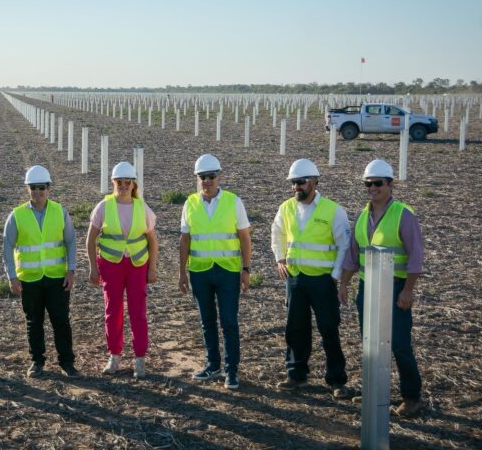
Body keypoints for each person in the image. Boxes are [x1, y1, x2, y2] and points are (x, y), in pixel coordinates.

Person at [339, 159, 425, 417]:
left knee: (398, 343)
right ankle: (374, 393)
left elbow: (416, 257)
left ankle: (412, 396)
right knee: (371, 344)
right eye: (368, 183)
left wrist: (408, 290)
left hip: (396, 287)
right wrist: (344, 284)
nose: (372, 188)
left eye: (377, 183)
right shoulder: (363, 216)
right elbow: (353, 256)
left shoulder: (403, 214)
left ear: (390, 184)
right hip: (368, 287)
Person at [270, 158, 351, 399]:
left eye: (302, 182)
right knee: (295, 328)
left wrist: (335, 276)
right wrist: (280, 258)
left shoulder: (333, 210)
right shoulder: (286, 208)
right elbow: (277, 232)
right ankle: (296, 375)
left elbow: (345, 246)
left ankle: (336, 379)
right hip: (295, 280)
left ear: (315, 182)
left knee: (329, 329)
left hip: (323, 282)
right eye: (294, 183)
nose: (297, 187)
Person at [178, 154, 251, 390]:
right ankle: (213, 365)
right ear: (197, 179)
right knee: (207, 321)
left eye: (211, 176)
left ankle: (232, 371)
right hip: (200, 272)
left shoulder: (234, 201)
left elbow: (244, 238)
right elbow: (185, 239)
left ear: (219, 177)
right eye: (202, 177)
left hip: (228, 272)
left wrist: (246, 269)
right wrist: (182, 272)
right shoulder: (190, 203)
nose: (207, 181)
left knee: (229, 322)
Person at [3, 165, 80, 378]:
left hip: (57, 278)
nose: (37, 192)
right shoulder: (17, 215)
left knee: (61, 321)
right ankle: (37, 362)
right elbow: (8, 247)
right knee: (34, 322)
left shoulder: (59, 211)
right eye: (33, 187)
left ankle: (67, 362)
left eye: (41, 187)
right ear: (27, 189)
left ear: (49, 188)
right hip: (30, 279)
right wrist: (12, 276)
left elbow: (71, 242)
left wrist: (71, 270)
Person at [87, 162, 158, 378]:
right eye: (120, 182)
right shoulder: (103, 207)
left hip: (137, 265)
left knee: (138, 311)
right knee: (113, 311)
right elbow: (91, 239)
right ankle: (115, 356)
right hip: (110, 265)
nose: (124, 185)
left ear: (133, 184)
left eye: (128, 182)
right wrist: (93, 268)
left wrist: (152, 268)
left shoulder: (142, 207)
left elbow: (152, 241)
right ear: (113, 182)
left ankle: (139, 359)